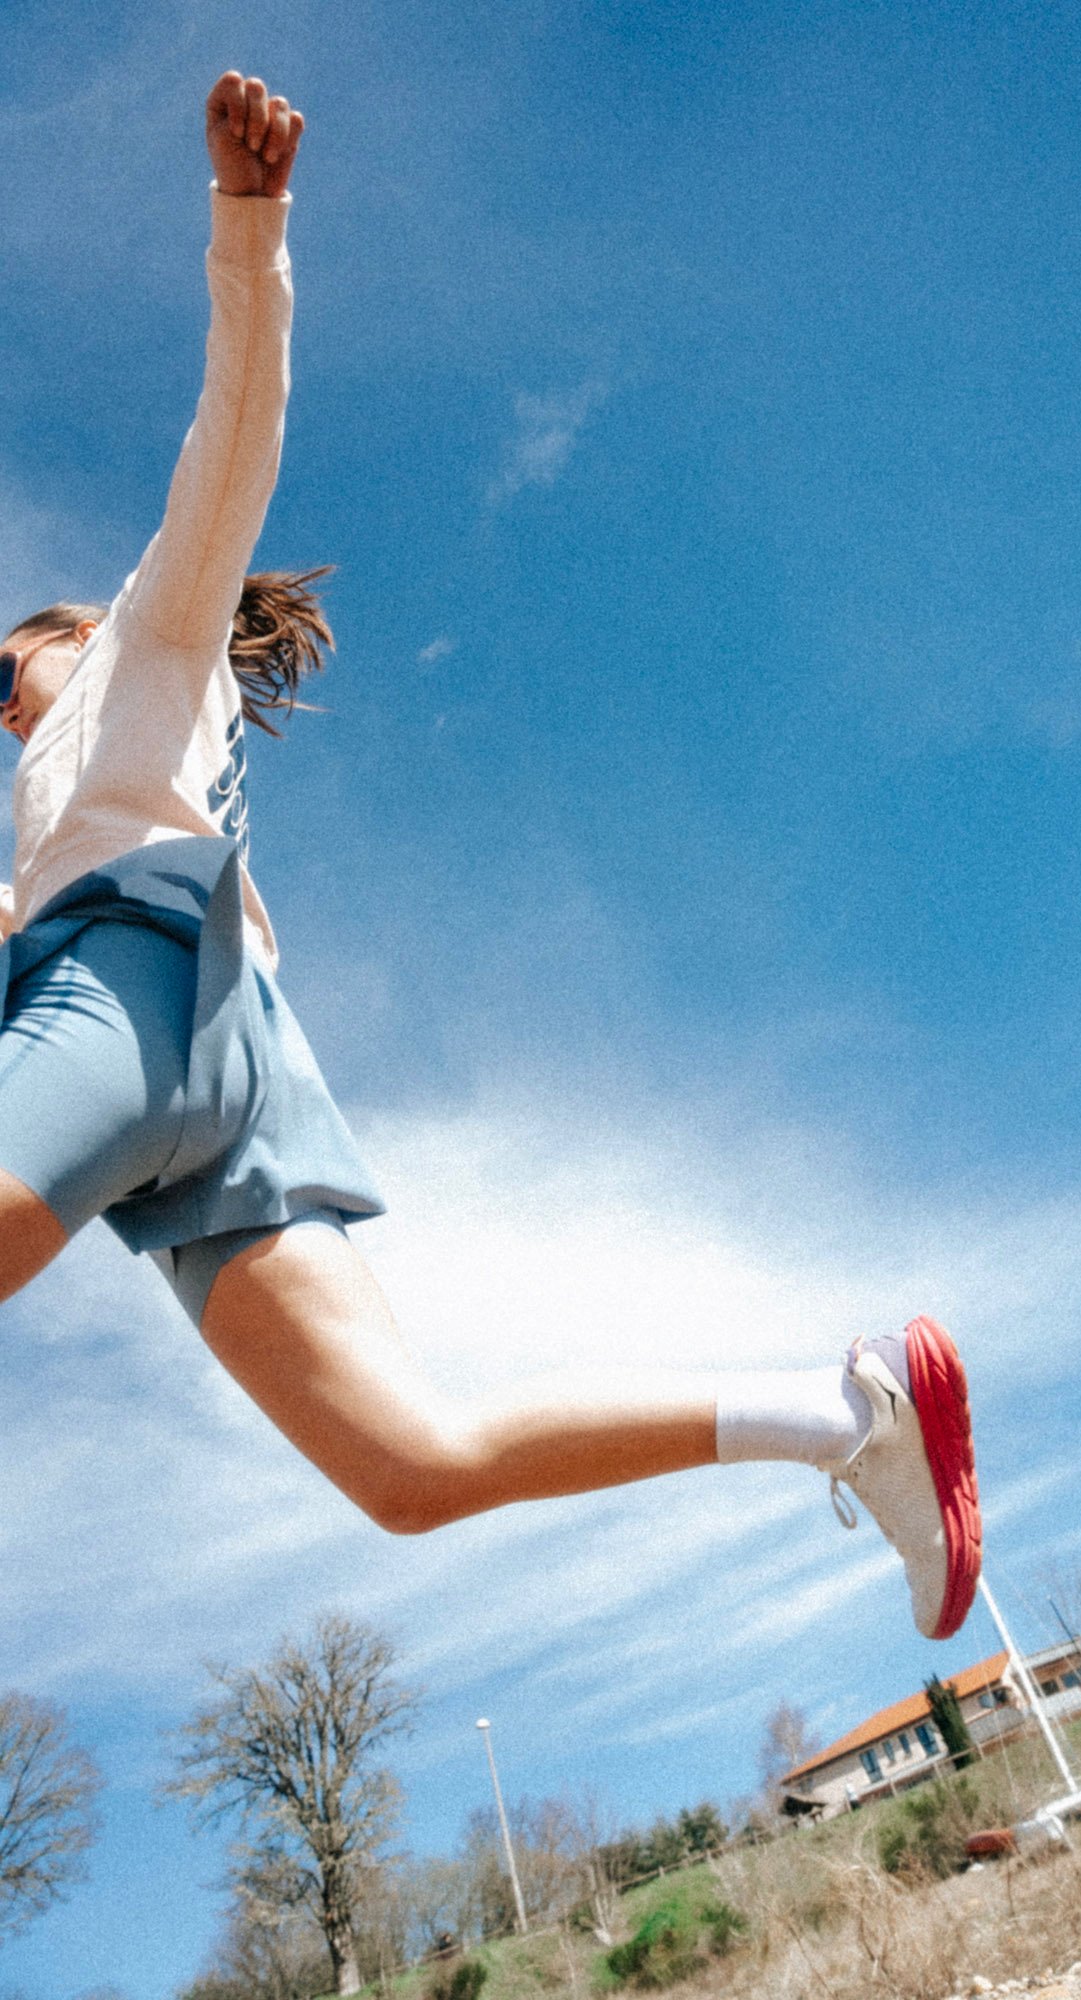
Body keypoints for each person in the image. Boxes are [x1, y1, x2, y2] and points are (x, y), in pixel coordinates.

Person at [0, 72, 981, 1642]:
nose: (4, 701)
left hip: (140, 986)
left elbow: (231, 442)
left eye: (9, 667)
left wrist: (248, 228)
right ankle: (838, 1413)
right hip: (217, 1075)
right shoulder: (57, 823)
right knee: (411, 1468)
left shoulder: (147, 637)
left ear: (75, 630)